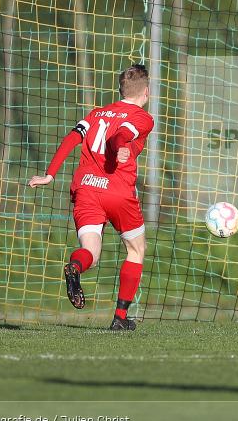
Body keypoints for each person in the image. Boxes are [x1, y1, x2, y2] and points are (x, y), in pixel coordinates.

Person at [28, 64, 155, 331]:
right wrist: (120, 149)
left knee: (91, 253)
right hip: (117, 190)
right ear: (146, 91)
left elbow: (71, 139)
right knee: (136, 249)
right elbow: (121, 135)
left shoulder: (96, 114)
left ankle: (75, 266)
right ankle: (120, 317)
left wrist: (50, 174)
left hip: (85, 188)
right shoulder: (143, 117)